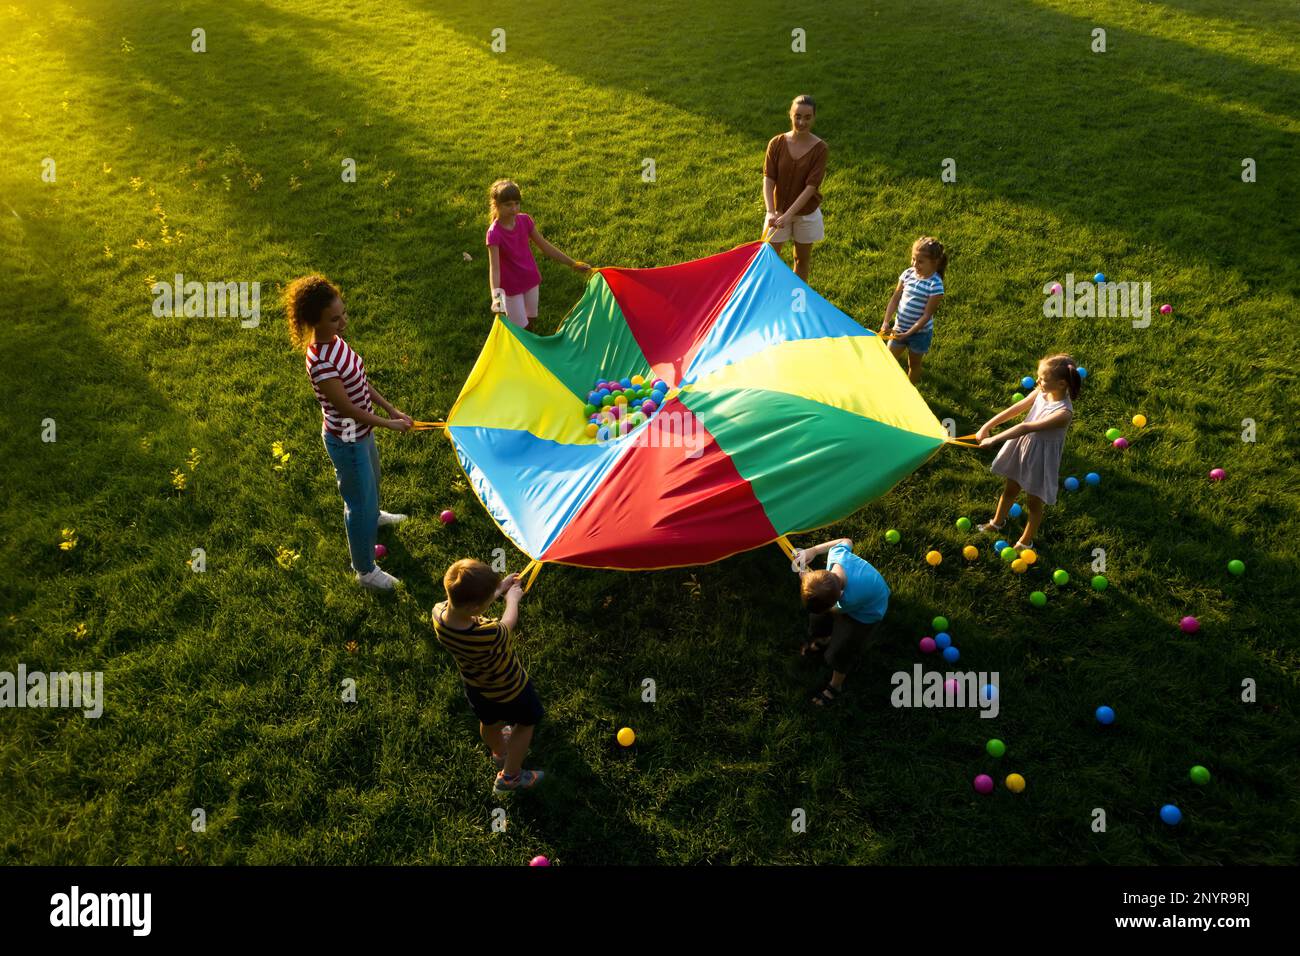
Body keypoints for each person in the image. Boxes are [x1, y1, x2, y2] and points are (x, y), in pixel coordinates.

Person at [286, 274, 411, 590]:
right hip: (348, 439)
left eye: (343, 314)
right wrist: (389, 425)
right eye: (334, 318)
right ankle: (365, 571)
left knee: (373, 481)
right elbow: (347, 409)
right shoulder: (321, 362)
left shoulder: (336, 342)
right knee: (357, 505)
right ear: (314, 321)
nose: (343, 322)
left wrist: (390, 409)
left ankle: (376, 515)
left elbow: (360, 381)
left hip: (363, 432)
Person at [432, 559, 546, 792]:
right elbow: (508, 622)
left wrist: (497, 590)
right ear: (475, 608)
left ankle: (500, 750)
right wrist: (511, 599)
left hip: (476, 687)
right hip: (511, 688)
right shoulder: (490, 634)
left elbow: (468, 605)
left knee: (489, 721)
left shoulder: (438, 614)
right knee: (525, 724)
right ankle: (510, 777)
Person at [976, 353, 1082, 550]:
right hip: (1023, 448)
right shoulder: (1042, 393)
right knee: (1010, 489)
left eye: (1043, 379)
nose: (1038, 381)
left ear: (1061, 384)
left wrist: (994, 439)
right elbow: (1015, 409)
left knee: (1033, 502)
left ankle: (1025, 541)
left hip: (1041, 458)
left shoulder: (1063, 413)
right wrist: (986, 426)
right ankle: (997, 522)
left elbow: (1026, 427)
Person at [792, 537, 890, 707]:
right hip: (856, 593)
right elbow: (847, 541)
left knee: (842, 650)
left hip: (867, 613)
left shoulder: (850, 598)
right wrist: (813, 550)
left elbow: (836, 611)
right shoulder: (837, 555)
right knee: (817, 618)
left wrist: (830, 609)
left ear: (839, 597)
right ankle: (823, 640)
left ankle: (836, 685)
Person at [486, 179, 589, 329]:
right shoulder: (494, 234)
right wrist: (496, 298)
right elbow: (494, 269)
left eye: (517, 203)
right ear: (496, 205)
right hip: (510, 287)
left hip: (531, 279)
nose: (514, 209)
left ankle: (530, 342)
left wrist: (572, 263)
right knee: (520, 328)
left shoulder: (525, 220)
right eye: (508, 205)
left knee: (532, 317)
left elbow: (545, 246)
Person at [763, 94, 827, 281]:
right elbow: (769, 178)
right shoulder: (776, 143)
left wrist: (789, 215)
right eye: (797, 116)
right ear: (790, 115)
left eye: (807, 117)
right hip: (777, 212)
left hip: (806, 214)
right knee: (769, 259)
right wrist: (771, 211)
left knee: (801, 260)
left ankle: (796, 301)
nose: (801, 122)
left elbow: (811, 187)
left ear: (814, 118)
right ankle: (769, 297)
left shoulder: (820, 149)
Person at [880, 237, 947, 383]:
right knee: (888, 360)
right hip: (899, 329)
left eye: (920, 261)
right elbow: (895, 298)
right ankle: (884, 387)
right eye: (913, 259)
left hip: (919, 335)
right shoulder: (908, 274)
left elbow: (927, 315)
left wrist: (908, 334)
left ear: (934, 263)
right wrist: (886, 322)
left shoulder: (935, 285)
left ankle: (910, 393)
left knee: (914, 364)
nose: (915, 264)